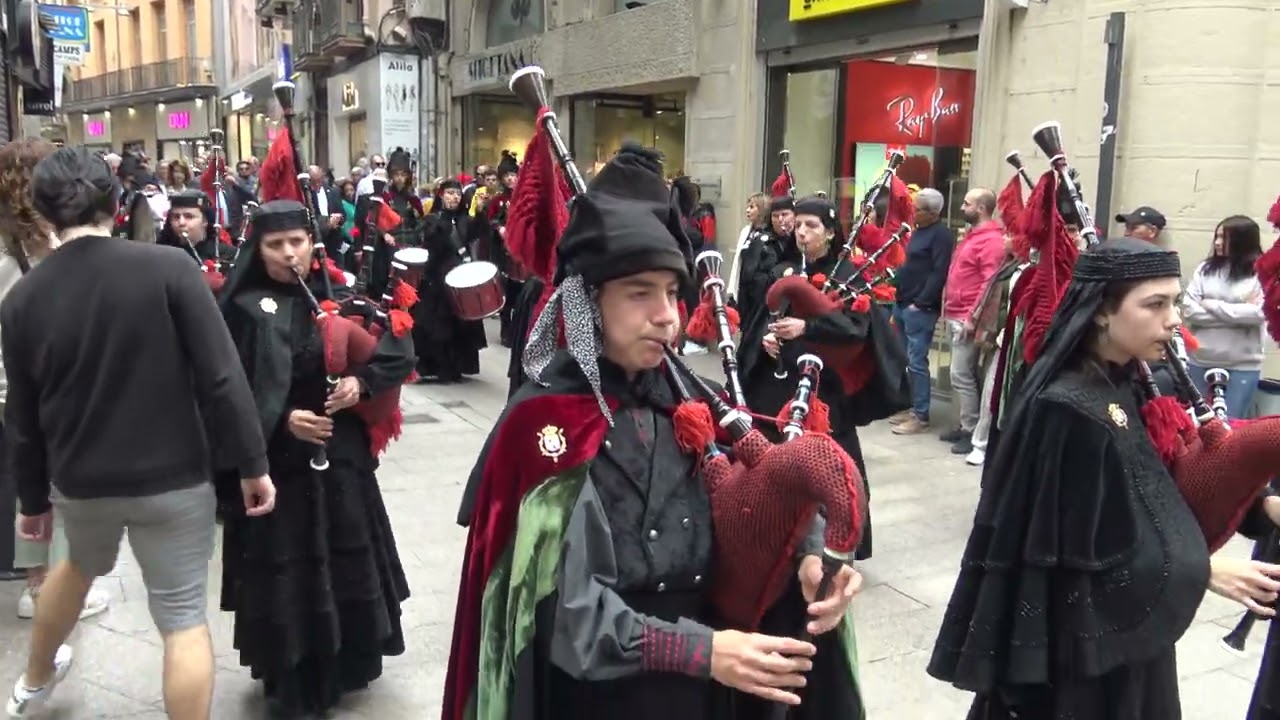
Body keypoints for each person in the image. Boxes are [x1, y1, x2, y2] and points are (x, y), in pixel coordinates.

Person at [444, 145, 865, 720]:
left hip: (703, 686)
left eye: (671, 291)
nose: (668, 314)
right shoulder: (544, 428)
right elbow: (564, 614)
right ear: (588, 302)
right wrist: (702, 650)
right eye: (640, 293)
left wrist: (805, 559)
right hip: (600, 697)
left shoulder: (691, 396)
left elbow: (758, 490)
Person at [927, 236, 1280, 719]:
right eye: (1154, 304)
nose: (1174, 319)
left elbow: (1157, 489)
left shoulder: (1125, 380)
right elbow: (1068, 558)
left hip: (1130, 645)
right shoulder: (1066, 407)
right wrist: (1200, 570)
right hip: (1079, 659)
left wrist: (1258, 507)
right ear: (1101, 312)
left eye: (1174, 301)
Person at [4, 146, 275, 719]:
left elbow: (23, 418)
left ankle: (30, 682)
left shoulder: (24, 298)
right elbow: (223, 377)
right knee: (181, 619)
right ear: (119, 201)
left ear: (44, 213)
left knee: (74, 568)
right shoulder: (169, 268)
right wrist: (253, 464)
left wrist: (31, 501)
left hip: (81, 479)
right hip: (174, 476)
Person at [214, 198, 413, 719]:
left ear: (311, 243)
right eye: (275, 245)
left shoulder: (341, 293)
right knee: (291, 569)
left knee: (344, 554)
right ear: (258, 251)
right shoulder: (241, 308)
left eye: (296, 243)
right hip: (279, 464)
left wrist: (360, 382)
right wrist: (282, 421)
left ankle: (350, 658)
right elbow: (227, 388)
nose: (288, 255)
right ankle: (295, 667)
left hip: (340, 457)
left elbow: (396, 350)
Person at [0, 138, 112, 619]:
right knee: (53, 491)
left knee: (33, 487)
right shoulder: (36, 251)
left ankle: (42, 584)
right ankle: (45, 590)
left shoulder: (11, 243)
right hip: (40, 388)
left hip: (17, 390)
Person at [1182, 214, 1265, 417]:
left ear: (1243, 241)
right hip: (1200, 360)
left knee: (1231, 426)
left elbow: (1259, 313)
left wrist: (1212, 304)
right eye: (1217, 237)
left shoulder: (1261, 273)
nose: (1218, 243)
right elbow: (1189, 310)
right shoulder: (1205, 269)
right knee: (1196, 424)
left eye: (1225, 238)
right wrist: (1238, 314)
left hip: (1242, 365)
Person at [414, 179, 487, 382]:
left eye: (457, 194)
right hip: (439, 280)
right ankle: (439, 366)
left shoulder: (465, 218)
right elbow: (429, 247)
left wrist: (480, 213)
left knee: (461, 324)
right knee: (439, 325)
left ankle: (458, 365)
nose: (454, 197)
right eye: (449, 193)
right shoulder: (432, 219)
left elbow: (477, 234)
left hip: (462, 277)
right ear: (441, 196)